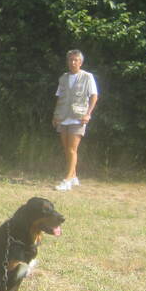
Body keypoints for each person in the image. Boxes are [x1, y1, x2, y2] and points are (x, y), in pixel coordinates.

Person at [52, 49, 98, 191]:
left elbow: (94, 96)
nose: (73, 62)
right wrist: (56, 115)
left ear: (80, 62)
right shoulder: (63, 78)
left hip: (78, 118)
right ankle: (74, 176)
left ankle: (67, 180)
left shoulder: (87, 77)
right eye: (70, 60)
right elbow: (59, 97)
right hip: (63, 117)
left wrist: (88, 114)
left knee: (72, 149)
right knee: (67, 149)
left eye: (75, 60)